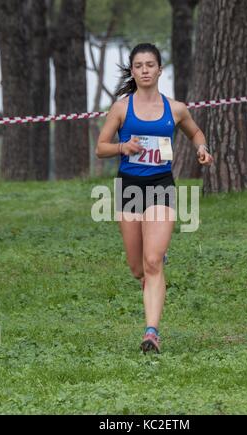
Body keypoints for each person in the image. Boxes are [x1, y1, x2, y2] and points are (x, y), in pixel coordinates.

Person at [96, 43, 213, 354]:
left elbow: (195, 132)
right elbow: (101, 147)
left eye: (150, 64)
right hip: (129, 188)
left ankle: (151, 333)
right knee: (138, 268)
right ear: (133, 71)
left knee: (151, 262)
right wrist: (123, 148)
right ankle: (155, 260)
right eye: (139, 65)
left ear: (160, 70)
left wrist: (201, 148)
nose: (145, 70)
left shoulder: (176, 108)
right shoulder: (122, 108)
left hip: (161, 186)